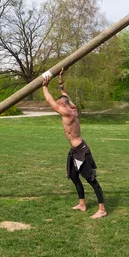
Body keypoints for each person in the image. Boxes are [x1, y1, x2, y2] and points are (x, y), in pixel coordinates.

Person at [42, 68, 107, 219]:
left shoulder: (67, 113)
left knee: (91, 180)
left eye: (60, 105)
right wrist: (60, 82)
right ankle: (82, 204)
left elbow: (50, 101)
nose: (58, 108)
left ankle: (102, 209)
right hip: (74, 150)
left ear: (63, 106)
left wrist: (45, 86)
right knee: (73, 176)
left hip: (80, 151)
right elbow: (65, 96)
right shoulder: (73, 109)